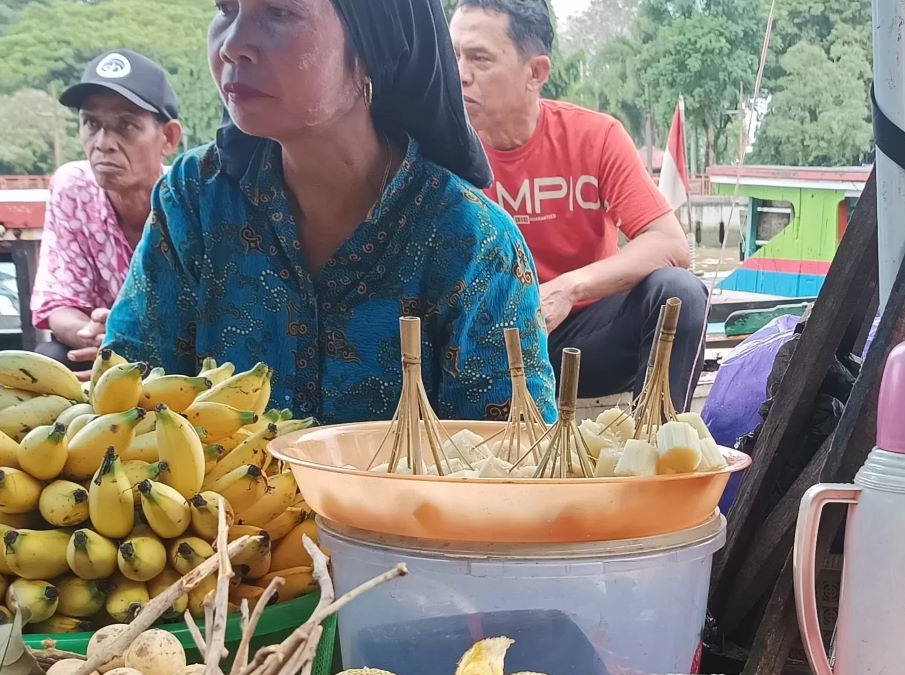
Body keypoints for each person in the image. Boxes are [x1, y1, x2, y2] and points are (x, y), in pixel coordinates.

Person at [103, 0, 551, 423]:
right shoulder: (195, 199)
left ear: (368, 50)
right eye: (225, 8)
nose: (232, 43)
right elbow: (124, 397)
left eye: (278, 11)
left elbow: (515, 467)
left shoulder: (472, 243)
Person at [451, 0, 705, 409]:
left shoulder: (596, 136)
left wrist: (568, 288)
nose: (460, 75)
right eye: (454, 56)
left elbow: (670, 245)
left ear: (536, 72)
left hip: (579, 339)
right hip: (485, 348)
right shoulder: (440, 153)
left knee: (679, 293)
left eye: (479, 58)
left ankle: (656, 449)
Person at [29, 50, 184, 365]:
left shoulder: (189, 198)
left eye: (125, 126)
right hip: (103, 350)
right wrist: (99, 334)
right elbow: (59, 304)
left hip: (177, 355)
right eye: (90, 123)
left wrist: (133, 341)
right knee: (50, 358)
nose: (102, 143)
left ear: (167, 138)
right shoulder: (73, 187)